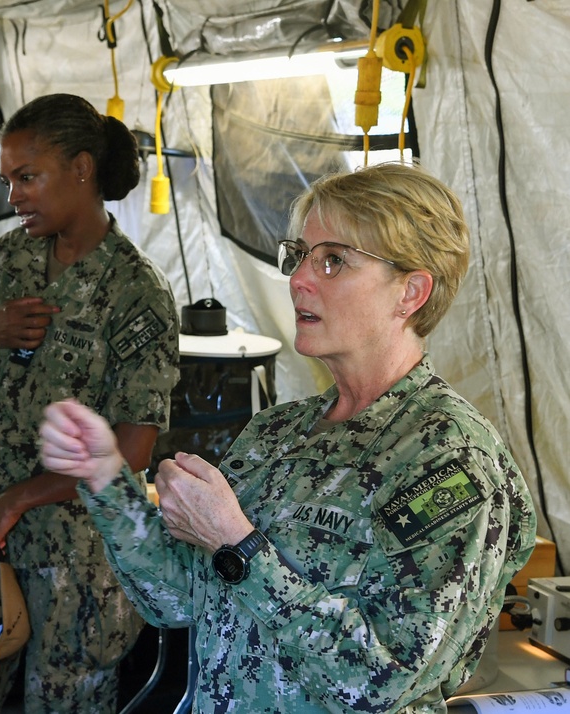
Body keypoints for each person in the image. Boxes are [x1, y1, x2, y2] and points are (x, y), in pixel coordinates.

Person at [39, 162, 538, 713]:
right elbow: (176, 598)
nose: (299, 278)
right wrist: (106, 478)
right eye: (300, 255)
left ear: (411, 293)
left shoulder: (448, 458)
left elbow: (381, 681)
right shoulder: (276, 434)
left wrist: (240, 545)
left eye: (334, 261)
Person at [0, 93, 180, 714]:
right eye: (7, 180)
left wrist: (17, 500)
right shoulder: (9, 259)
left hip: (79, 555)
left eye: (27, 177)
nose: (14, 195)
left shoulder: (135, 291)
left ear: (83, 169)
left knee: (65, 703)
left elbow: (132, 451)